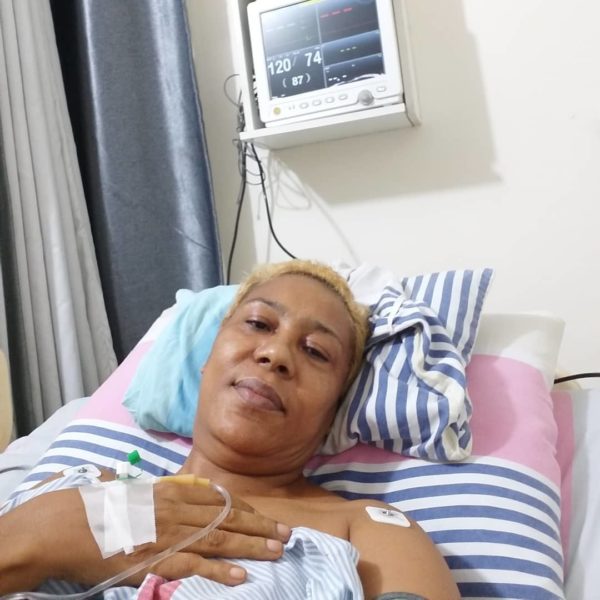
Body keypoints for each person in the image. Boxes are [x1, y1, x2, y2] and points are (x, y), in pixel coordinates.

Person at [0, 260, 460, 599]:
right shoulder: (78, 491)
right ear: (206, 358)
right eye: (258, 323)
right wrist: (39, 535)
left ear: (332, 411)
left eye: (316, 351)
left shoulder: (368, 531)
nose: (275, 355)